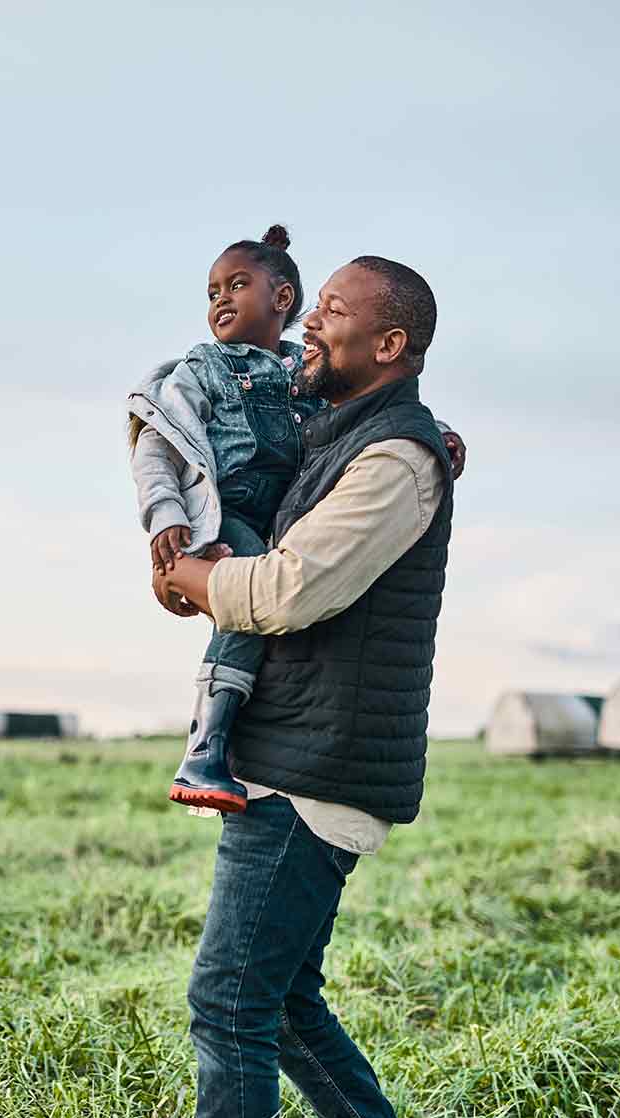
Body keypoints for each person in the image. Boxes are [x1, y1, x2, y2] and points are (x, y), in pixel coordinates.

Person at [152, 256, 455, 1118]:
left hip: (313, 772)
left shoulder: (396, 458)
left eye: (330, 311)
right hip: (297, 752)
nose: (309, 325)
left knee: (229, 1000)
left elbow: (286, 590)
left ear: (390, 345)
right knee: (277, 1004)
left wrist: (191, 579)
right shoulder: (344, 432)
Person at [127, 231, 464, 813]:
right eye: (213, 292)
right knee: (240, 616)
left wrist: (439, 431)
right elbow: (158, 446)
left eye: (237, 286)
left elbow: (283, 591)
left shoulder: (347, 412)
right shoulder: (201, 369)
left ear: (280, 297)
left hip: (314, 770)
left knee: (248, 611)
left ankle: (207, 744)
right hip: (230, 514)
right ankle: (208, 743)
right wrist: (167, 521)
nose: (220, 302)